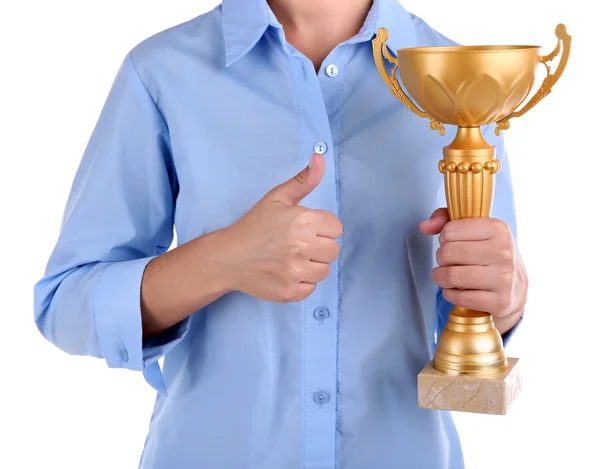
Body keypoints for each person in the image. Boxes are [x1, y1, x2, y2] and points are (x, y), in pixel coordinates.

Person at [33, 0, 527, 467]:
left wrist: (507, 298)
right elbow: (66, 303)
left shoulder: (467, 80)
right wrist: (220, 260)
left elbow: (478, 318)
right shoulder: (161, 73)